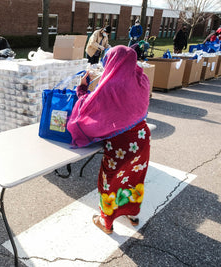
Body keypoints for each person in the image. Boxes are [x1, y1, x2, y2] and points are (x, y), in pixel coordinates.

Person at [67, 45, 151, 235]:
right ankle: (132, 214)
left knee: (110, 181)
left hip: (120, 144)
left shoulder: (110, 85)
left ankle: (106, 222)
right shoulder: (141, 79)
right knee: (134, 178)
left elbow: (86, 109)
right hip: (142, 138)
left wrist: (82, 87)